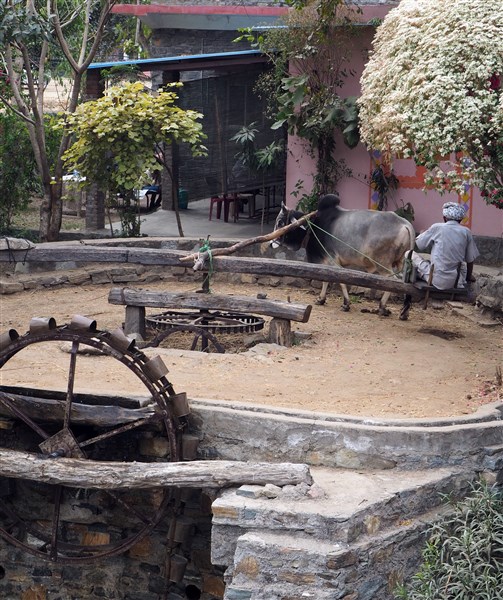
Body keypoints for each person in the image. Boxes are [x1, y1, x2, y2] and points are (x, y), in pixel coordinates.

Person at [408, 202, 479, 289]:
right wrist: (468, 277)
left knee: (409, 254)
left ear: (444, 218)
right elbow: (470, 259)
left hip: (437, 281)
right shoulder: (466, 232)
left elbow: (420, 245)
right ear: (460, 220)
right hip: (456, 282)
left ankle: (416, 276)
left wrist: (422, 233)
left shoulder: (437, 227)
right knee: (462, 264)